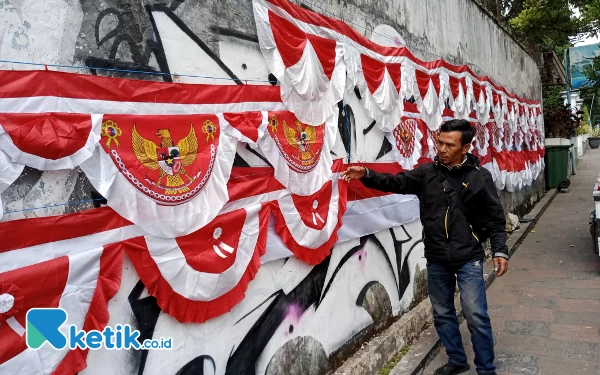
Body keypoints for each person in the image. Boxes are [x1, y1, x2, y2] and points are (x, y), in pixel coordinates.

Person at [341, 119, 508, 375]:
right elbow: (395, 182)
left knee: (476, 317)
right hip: (437, 258)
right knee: (442, 313)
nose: (441, 148)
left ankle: (486, 369)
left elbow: (496, 218)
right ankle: (457, 360)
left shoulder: (479, 177)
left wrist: (499, 250)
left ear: (465, 148)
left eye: (449, 145)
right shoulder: (427, 173)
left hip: (468, 258)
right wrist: (367, 174)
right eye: (439, 142)